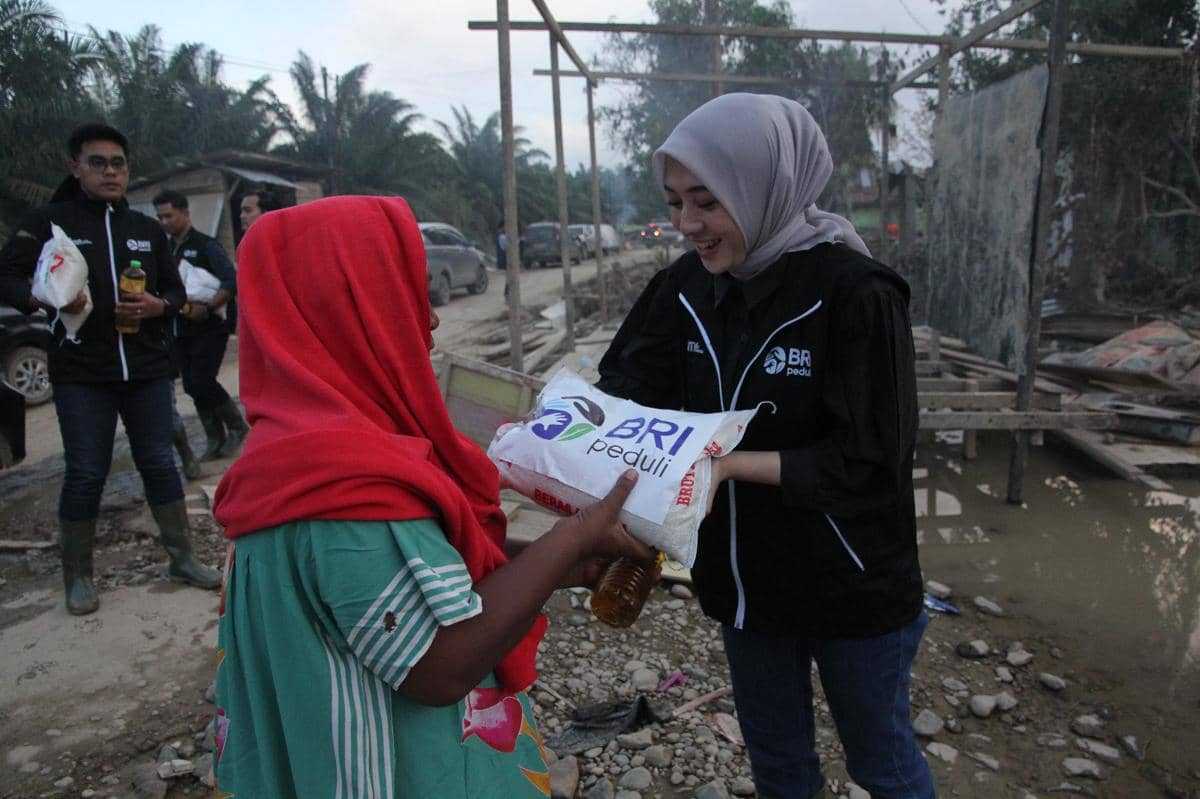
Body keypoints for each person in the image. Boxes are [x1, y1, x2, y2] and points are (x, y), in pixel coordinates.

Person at [210, 195, 653, 797]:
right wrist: (570, 536)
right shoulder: (344, 490)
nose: (433, 319)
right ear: (350, 308)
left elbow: (414, 570)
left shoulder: (283, 455)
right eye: (404, 290)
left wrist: (551, 563)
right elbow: (439, 665)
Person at [597, 93, 934, 799]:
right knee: (780, 768)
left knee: (883, 763)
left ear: (763, 188)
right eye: (675, 202)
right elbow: (624, 391)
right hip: (745, 586)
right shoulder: (683, 289)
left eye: (707, 202)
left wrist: (726, 461)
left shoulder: (855, 293)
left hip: (854, 586)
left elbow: (873, 462)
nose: (688, 225)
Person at [0, 123, 221, 615]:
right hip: (82, 372)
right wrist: (41, 297)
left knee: (160, 463)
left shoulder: (145, 230)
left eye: (117, 163)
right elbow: (7, 274)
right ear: (74, 167)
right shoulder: (49, 222)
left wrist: (157, 308)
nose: (109, 171)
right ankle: (77, 576)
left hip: (145, 367)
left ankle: (182, 558)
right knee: (85, 472)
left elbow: (177, 291)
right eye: (97, 162)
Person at [153, 190, 248, 461]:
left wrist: (207, 307)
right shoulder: (168, 250)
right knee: (192, 386)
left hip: (209, 326)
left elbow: (231, 280)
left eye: (169, 215)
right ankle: (214, 437)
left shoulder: (207, 246)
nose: (164, 222)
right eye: (160, 217)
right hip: (180, 327)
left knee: (203, 380)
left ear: (185, 213)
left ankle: (238, 427)